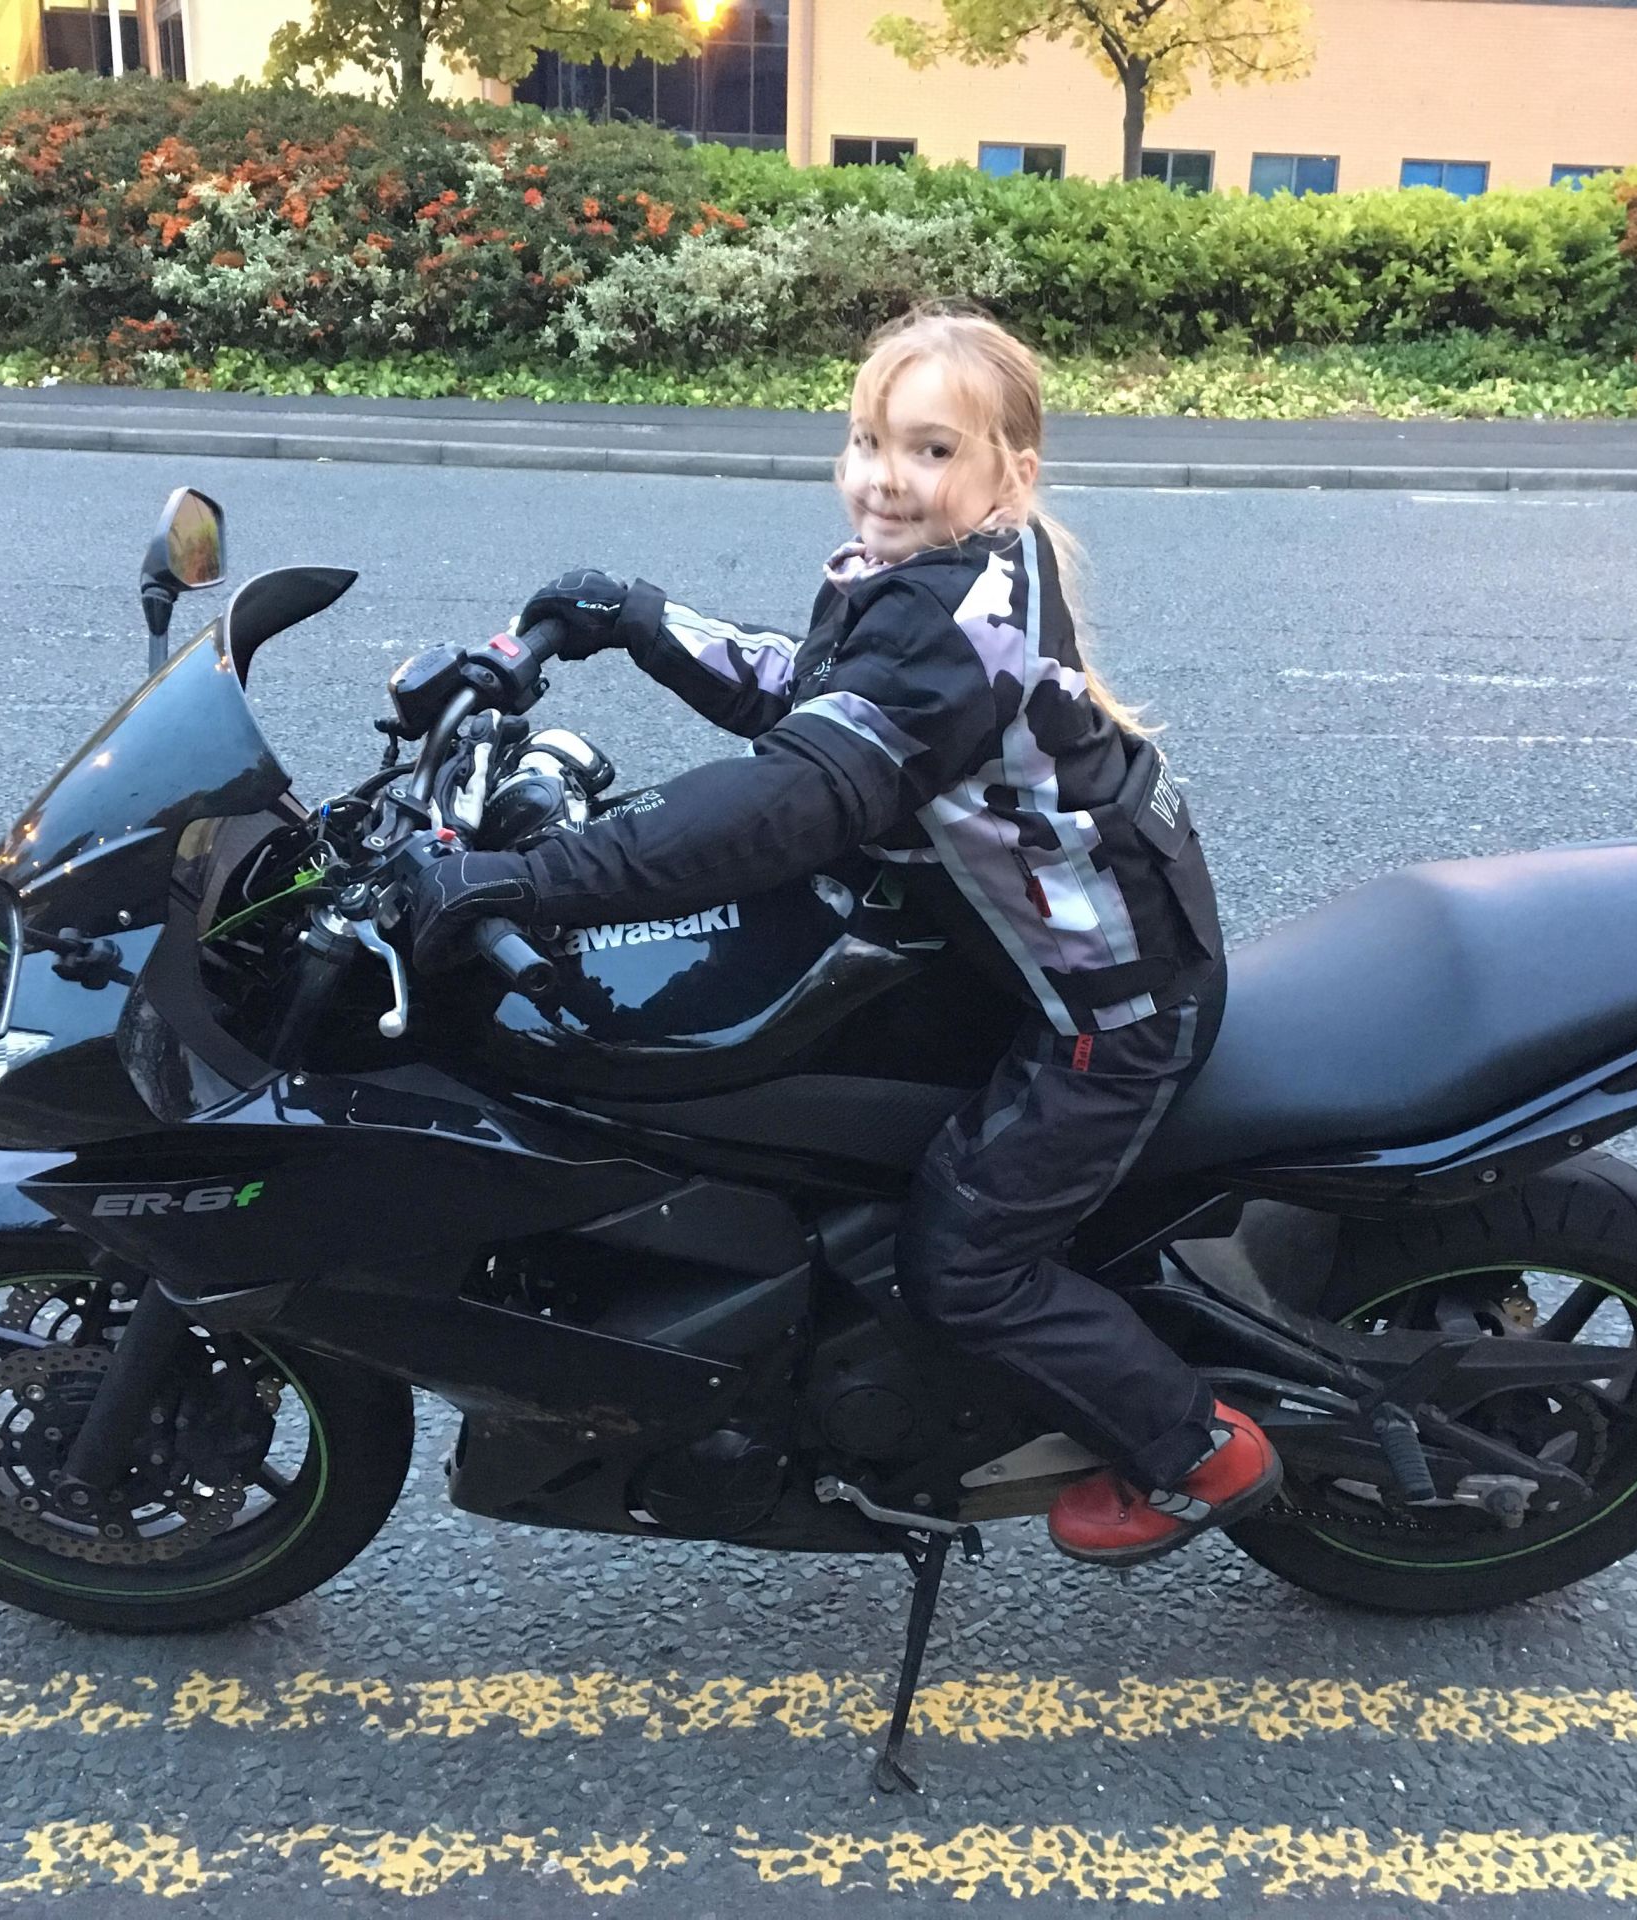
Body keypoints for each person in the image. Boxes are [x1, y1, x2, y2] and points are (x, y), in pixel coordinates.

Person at [406, 308, 1281, 1566]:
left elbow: (792, 795)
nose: (886, 475)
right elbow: (813, 697)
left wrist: (528, 879)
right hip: (1014, 949)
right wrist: (641, 620)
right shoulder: (941, 579)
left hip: (1105, 1014)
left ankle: (1195, 1447)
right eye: (870, 438)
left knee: (966, 1263)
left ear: (1007, 476)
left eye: (931, 450)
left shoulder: (948, 623)